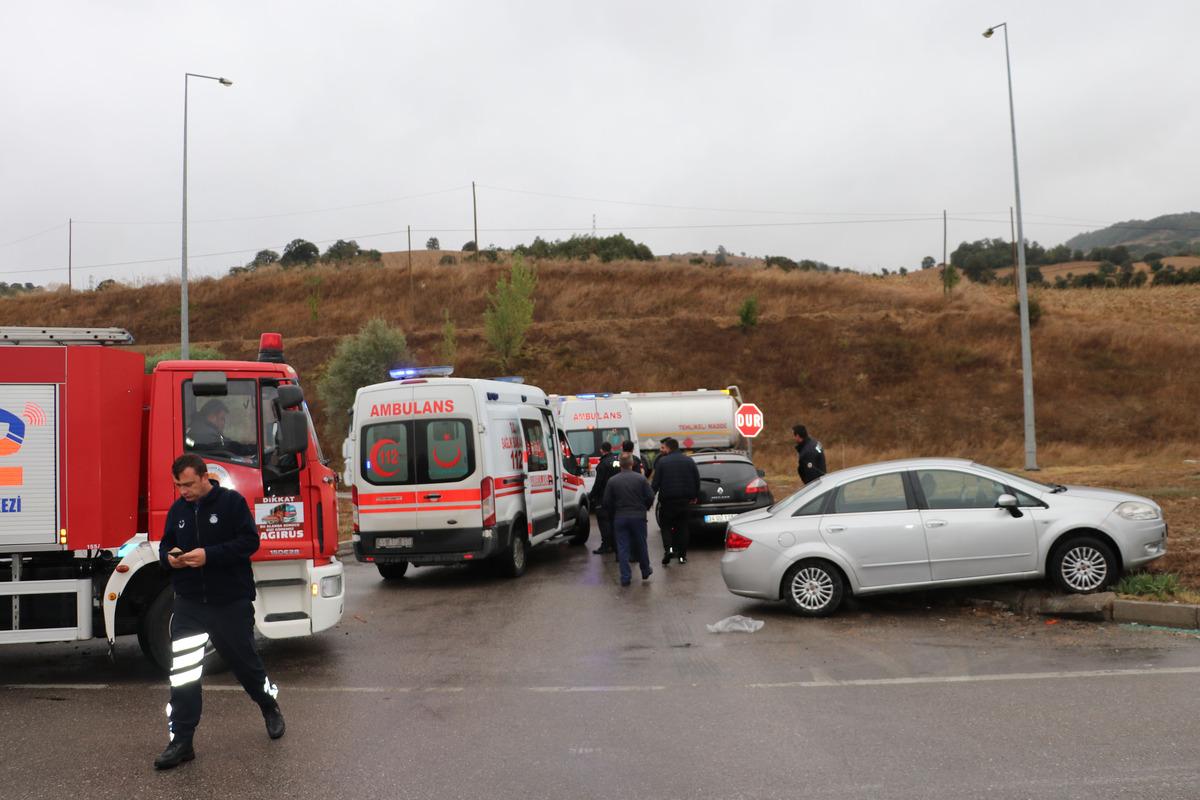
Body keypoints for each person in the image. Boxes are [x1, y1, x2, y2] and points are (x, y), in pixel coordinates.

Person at [153, 454, 285, 770]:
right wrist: (169, 558)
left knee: (246, 664)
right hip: (189, 604)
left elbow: (249, 542)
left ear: (203, 477)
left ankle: (269, 706)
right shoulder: (178, 511)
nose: (182, 491)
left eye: (187, 484)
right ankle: (182, 741)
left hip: (230, 602)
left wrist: (208, 556)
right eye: (177, 486)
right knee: (183, 673)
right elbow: (165, 546)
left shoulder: (231, 504)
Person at [602, 452, 654, 586]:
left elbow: (607, 502)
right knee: (641, 544)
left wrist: (615, 513)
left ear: (620, 464)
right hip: (638, 517)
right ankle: (645, 570)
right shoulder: (641, 479)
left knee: (623, 547)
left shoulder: (613, 481)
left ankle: (625, 577)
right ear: (632, 463)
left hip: (620, 517)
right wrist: (644, 508)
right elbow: (650, 496)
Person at [650, 437, 700, 566]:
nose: (663, 450)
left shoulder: (662, 462)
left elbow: (655, 484)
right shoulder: (689, 461)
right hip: (684, 501)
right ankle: (682, 557)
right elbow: (696, 480)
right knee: (682, 528)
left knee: (666, 527)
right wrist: (694, 496)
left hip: (667, 502)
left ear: (668, 448)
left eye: (664, 448)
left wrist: (649, 499)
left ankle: (669, 550)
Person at [588, 442, 620, 555]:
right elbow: (617, 472)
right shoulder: (615, 460)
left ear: (602, 450)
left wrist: (591, 495)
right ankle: (614, 545)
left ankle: (606, 545)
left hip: (603, 497)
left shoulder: (602, 464)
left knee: (603, 522)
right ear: (610, 448)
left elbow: (599, 483)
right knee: (613, 521)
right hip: (615, 496)